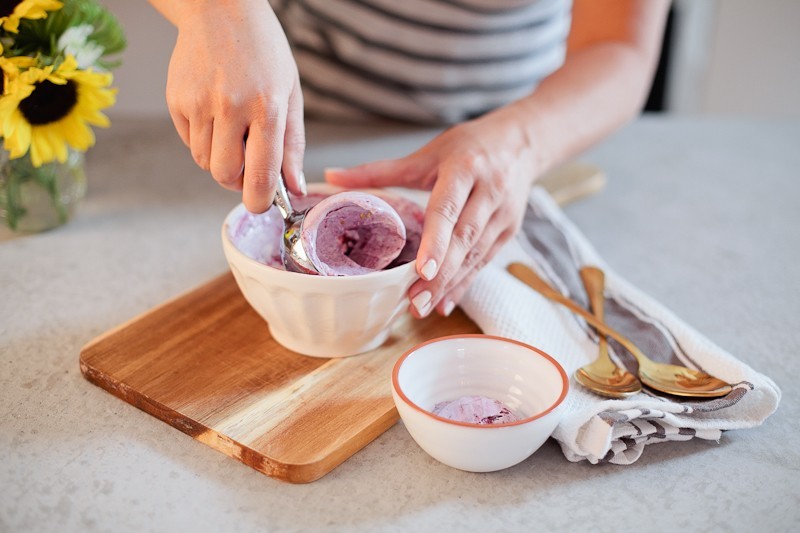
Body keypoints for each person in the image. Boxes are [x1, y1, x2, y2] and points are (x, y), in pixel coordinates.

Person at [148, 0, 669, 318]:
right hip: (289, 109)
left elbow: (620, 45)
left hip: (498, 128)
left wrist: (521, 144)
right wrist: (214, 10)